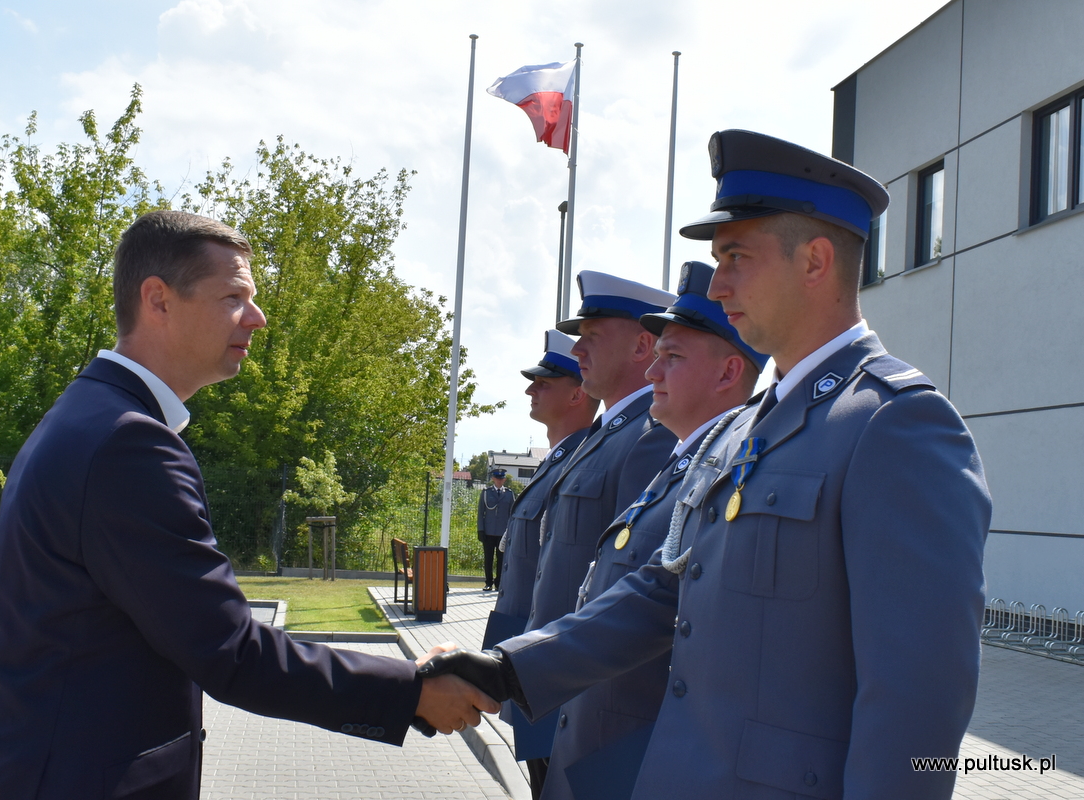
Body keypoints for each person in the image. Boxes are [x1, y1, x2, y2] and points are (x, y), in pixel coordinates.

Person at [422, 130, 991, 800]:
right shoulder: (742, 429)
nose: (718, 286)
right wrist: (507, 673)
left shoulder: (896, 424)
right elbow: (666, 592)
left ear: (814, 261)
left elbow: (916, 703)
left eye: (736, 257)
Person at [0, 210, 497, 799]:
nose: (258, 318)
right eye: (234, 296)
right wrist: (413, 690)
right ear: (158, 299)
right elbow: (231, 653)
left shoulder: (91, 414)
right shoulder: (127, 443)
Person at [539, 261, 766, 800]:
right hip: (596, 744)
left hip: (631, 758)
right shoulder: (684, 464)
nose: (651, 374)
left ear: (728, 373)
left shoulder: (728, 473)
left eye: (672, 357)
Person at [519, 271, 677, 794]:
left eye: (592, 335)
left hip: (589, 699)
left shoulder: (648, 440)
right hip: (554, 683)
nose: (579, 348)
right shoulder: (605, 434)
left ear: (641, 345)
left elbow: (629, 590)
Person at [490, 329, 597, 632]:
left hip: (538, 638)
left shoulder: (581, 465)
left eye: (544, 384)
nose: (530, 391)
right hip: (514, 628)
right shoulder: (554, 463)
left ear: (577, 394)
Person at [477, 468, 514, 591]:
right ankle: (488, 582)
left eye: (501, 479)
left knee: (501, 559)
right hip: (488, 531)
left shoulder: (509, 494)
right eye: (497, 478)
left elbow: (512, 514)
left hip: (503, 533)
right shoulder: (486, 492)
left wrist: (511, 531)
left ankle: (499, 582)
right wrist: (480, 530)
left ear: (504, 479)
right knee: (488, 558)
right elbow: (480, 512)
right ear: (493, 479)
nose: (499, 481)